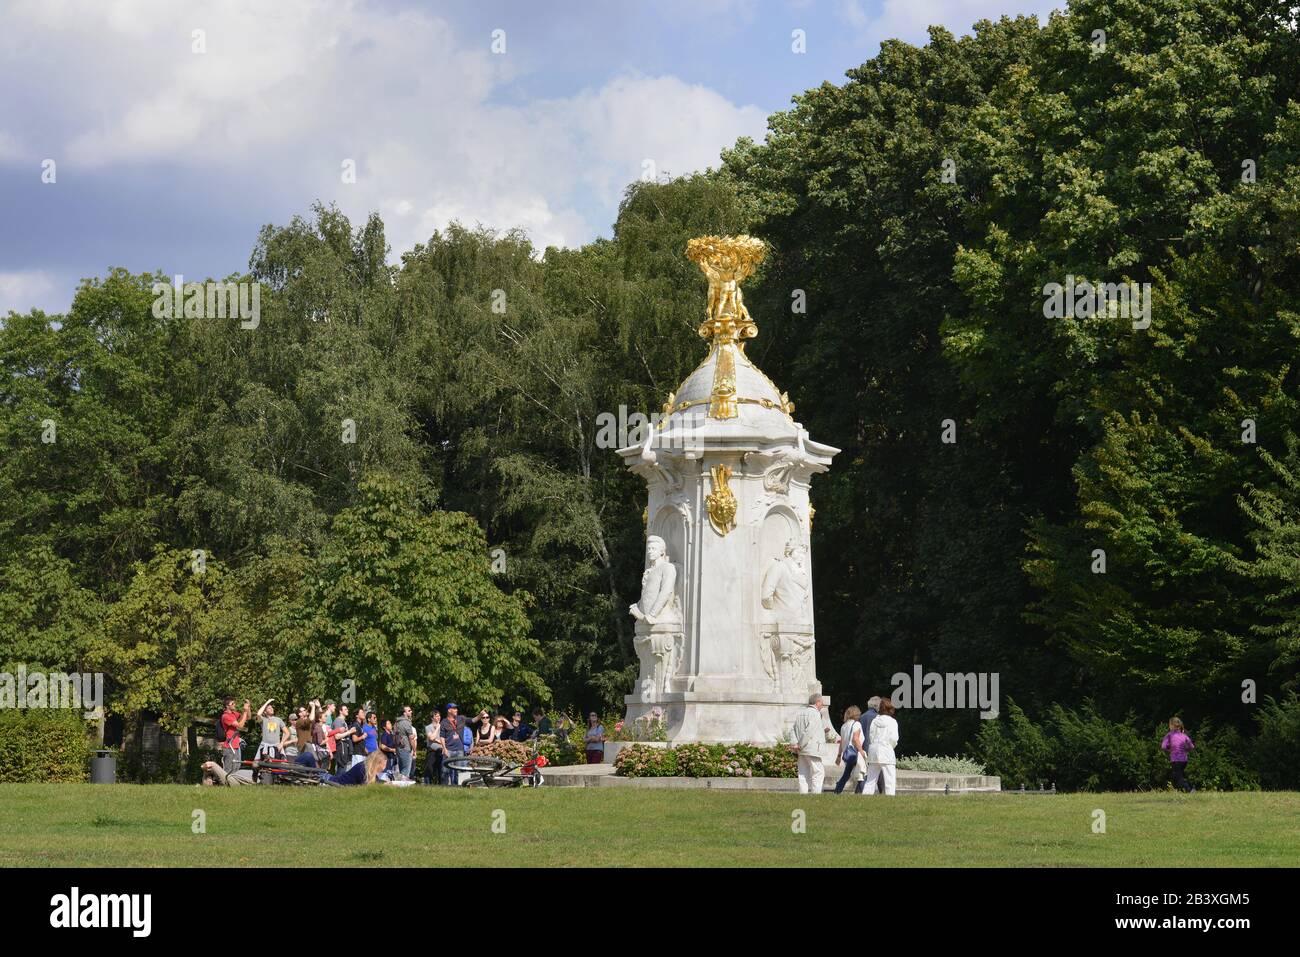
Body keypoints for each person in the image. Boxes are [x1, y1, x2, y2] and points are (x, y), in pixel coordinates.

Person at [791, 692, 830, 793]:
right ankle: (815, 794)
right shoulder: (815, 713)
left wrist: (795, 744)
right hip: (811, 748)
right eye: (821, 702)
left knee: (803, 772)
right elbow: (809, 731)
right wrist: (800, 745)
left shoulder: (800, 713)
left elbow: (793, 730)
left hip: (802, 748)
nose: (822, 704)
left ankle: (803, 793)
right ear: (817, 702)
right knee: (818, 772)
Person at [863, 698, 899, 796]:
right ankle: (890, 798)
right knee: (889, 780)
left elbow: (871, 736)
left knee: (870, 779)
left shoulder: (875, 721)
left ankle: (865, 797)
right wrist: (890, 747)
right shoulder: (892, 722)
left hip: (874, 750)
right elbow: (894, 739)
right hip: (886, 750)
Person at [853, 696, 881, 794]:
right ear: (877, 706)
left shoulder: (862, 716)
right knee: (877, 772)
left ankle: (858, 792)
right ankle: (884, 792)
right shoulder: (877, 717)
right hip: (873, 747)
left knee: (864, 772)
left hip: (862, 747)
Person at [833, 705, 863, 794]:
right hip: (855, 753)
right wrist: (861, 751)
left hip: (847, 754)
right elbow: (855, 739)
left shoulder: (844, 726)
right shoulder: (856, 724)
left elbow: (841, 742)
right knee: (862, 773)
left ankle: (837, 791)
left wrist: (839, 756)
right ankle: (861, 793)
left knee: (846, 774)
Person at [1161, 716, 1196, 793]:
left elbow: (1163, 746)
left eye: (1169, 725)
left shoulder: (1169, 735)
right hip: (1184, 760)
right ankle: (1186, 788)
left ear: (1172, 725)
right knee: (1179, 776)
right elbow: (1191, 746)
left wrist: (1169, 748)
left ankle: (1190, 790)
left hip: (1175, 760)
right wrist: (1185, 750)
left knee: (1178, 778)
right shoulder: (1184, 735)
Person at [218, 697, 251, 774]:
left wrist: (248, 707)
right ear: (227, 706)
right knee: (228, 769)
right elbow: (240, 725)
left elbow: (248, 717)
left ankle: (233, 785)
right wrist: (245, 712)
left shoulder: (234, 714)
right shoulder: (225, 716)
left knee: (236, 767)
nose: (234, 705)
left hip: (236, 745)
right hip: (229, 746)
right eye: (232, 703)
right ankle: (224, 784)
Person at [441, 703, 468, 784]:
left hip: (460, 749)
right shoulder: (444, 722)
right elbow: (442, 736)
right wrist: (444, 748)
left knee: (459, 770)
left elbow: (473, 720)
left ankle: (458, 787)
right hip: (449, 749)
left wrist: (480, 716)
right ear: (449, 710)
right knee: (445, 771)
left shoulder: (461, 718)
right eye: (454, 708)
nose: (456, 710)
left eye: (456, 708)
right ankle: (444, 788)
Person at [395, 706, 417, 781]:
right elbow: (411, 738)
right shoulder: (406, 722)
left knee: (401, 772)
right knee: (405, 772)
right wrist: (414, 750)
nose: (411, 712)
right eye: (409, 710)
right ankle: (404, 790)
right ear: (404, 713)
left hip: (399, 748)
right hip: (406, 748)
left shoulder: (397, 722)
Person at [423, 709, 444, 785]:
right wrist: (437, 728)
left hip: (441, 751)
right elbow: (431, 738)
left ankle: (441, 785)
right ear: (432, 718)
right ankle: (428, 785)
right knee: (430, 769)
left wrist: (436, 740)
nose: (439, 717)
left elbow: (444, 739)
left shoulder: (443, 727)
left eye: (439, 716)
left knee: (441, 770)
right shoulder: (428, 727)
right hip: (432, 751)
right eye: (436, 716)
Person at [331, 705, 352, 772]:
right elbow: (337, 736)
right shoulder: (338, 721)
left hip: (345, 746)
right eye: (345, 709)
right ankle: (337, 782)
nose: (347, 710)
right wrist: (349, 732)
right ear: (340, 711)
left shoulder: (343, 721)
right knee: (341, 768)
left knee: (344, 768)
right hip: (340, 747)